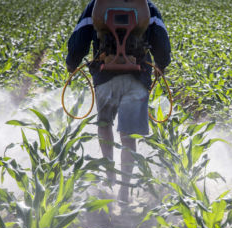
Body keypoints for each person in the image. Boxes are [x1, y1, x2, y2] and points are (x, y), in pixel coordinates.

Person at [66, 0, 171, 203]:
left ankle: (109, 177)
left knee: (105, 125)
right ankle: (125, 188)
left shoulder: (96, 5)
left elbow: (79, 42)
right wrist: (161, 65)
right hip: (137, 79)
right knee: (128, 135)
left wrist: (72, 64)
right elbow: (162, 46)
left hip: (105, 79)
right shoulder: (148, 7)